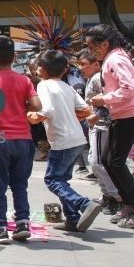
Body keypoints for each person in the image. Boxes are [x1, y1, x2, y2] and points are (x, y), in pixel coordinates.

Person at [85, 24, 134, 228]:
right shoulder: (113, 57)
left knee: (115, 162)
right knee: (108, 160)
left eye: (92, 47)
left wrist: (103, 99)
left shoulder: (116, 58)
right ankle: (128, 203)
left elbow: (129, 89)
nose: (90, 51)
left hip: (130, 116)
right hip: (123, 115)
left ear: (104, 43)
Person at [27, 50, 101, 232]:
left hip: (62, 140)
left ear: (42, 70)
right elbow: (86, 111)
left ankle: (84, 204)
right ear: (64, 70)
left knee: (52, 180)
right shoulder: (67, 86)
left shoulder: (44, 86)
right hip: (77, 139)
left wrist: (30, 116)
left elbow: (47, 111)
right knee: (62, 180)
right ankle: (72, 219)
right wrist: (67, 114)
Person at [0, 36, 42, 244]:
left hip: (1, 139)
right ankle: (23, 223)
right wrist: (20, 106)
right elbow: (37, 105)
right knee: (19, 184)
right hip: (24, 139)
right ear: (14, 57)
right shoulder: (24, 80)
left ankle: (0, 228)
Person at [79, 51, 121, 216]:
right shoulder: (91, 79)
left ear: (96, 64)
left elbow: (106, 101)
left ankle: (116, 197)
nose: (81, 68)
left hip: (102, 125)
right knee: (94, 162)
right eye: (79, 64)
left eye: (84, 64)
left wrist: (95, 116)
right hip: (96, 125)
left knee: (97, 163)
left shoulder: (98, 78)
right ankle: (106, 194)